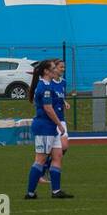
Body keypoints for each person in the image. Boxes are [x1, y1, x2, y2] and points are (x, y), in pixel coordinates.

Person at [25, 59, 73, 199]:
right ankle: (30, 193)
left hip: (51, 127)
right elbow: (47, 108)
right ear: (46, 71)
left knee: (57, 156)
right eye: (53, 68)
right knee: (40, 159)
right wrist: (59, 124)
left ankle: (56, 191)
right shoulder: (44, 87)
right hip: (45, 127)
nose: (56, 70)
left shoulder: (48, 85)